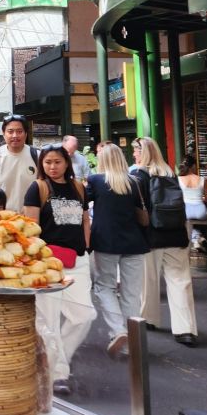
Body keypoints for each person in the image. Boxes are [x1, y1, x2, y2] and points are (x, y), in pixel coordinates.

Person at [22, 144, 94, 395]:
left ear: (67, 163)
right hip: (47, 261)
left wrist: (86, 246)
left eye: (57, 162)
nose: (52, 167)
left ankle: (54, 361)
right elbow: (30, 228)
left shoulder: (78, 188)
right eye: (48, 162)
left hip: (77, 259)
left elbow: (85, 218)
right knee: (48, 320)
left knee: (84, 315)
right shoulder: (37, 188)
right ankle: (57, 372)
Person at [132, 136, 198, 347]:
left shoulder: (137, 175)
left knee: (147, 280)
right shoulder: (170, 173)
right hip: (176, 233)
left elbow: (135, 209)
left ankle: (148, 318)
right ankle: (185, 329)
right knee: (180, 281)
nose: (134, 154)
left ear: (143, 153)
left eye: (136, 151)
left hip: (150, 235)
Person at [88, 143, 150, 361]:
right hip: (134, 242)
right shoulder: (134, 181)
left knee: (104, 287)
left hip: (106, 241)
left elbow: (83, 205)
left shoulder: (96, 181)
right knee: (131, 293)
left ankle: (118, 331)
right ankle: (131, 342)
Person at [0, 114, 39, 213]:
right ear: (4, 134)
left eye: (19, 131)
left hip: (31, 219)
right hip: (1, 219)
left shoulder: (37, 155)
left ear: (26, 134)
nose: (15, 135)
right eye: (10, 131)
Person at [177, 156, 207, 221]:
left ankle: (193, 231)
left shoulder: (178, 179)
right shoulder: (202, 179)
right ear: (193, 166)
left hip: (185, 212)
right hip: (201, 212)